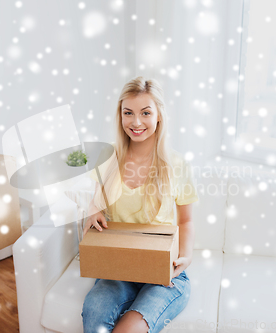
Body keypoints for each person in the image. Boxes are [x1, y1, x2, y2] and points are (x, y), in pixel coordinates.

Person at [81, 76, 199, 333]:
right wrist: (93, 209)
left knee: (129, 329)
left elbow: (187, 220)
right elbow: (95, 201)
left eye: (145, 113)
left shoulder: (177, 165)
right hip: (117, 269)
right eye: (128, 113)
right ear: (120, 116)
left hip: (164, 274)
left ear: (159, 116)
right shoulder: (107, 157)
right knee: (94, 315)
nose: (136, 122)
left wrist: (186, 257)